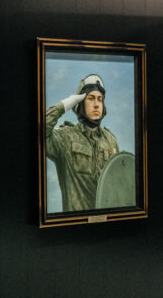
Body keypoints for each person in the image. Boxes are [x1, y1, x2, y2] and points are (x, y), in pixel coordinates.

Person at [45, 74, 119, 212]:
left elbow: (119, 183)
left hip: (108, 220)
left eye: (100, 99)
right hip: (77, 222)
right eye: (91, 98)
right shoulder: (65, 138)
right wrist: (65, 105)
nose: (96, 104)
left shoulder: (111, 140)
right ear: (80, 103)